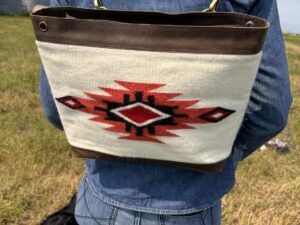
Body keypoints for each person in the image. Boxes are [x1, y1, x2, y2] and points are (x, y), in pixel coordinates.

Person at [39, 0, 292, 224]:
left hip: (99, 200)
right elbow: (269, 109)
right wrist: (214, 148)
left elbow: (56, 104)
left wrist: (105, 138)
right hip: (193, 208)